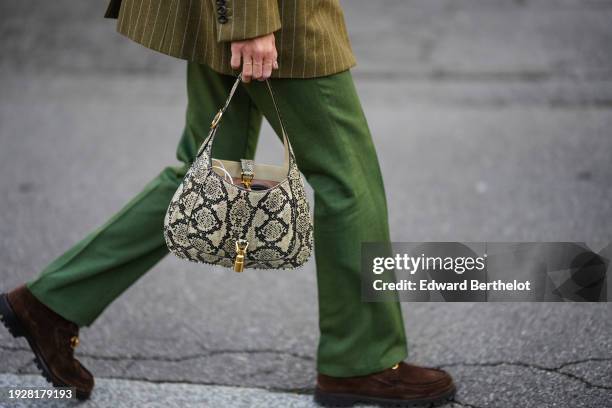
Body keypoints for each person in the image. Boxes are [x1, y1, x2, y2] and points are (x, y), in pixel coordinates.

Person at [0, 0, 456, 406]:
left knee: (204, 172)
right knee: (350, 182)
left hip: (220, 9)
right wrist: (249, 19)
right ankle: (361, 362)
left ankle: (51, 303)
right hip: (270, 13)